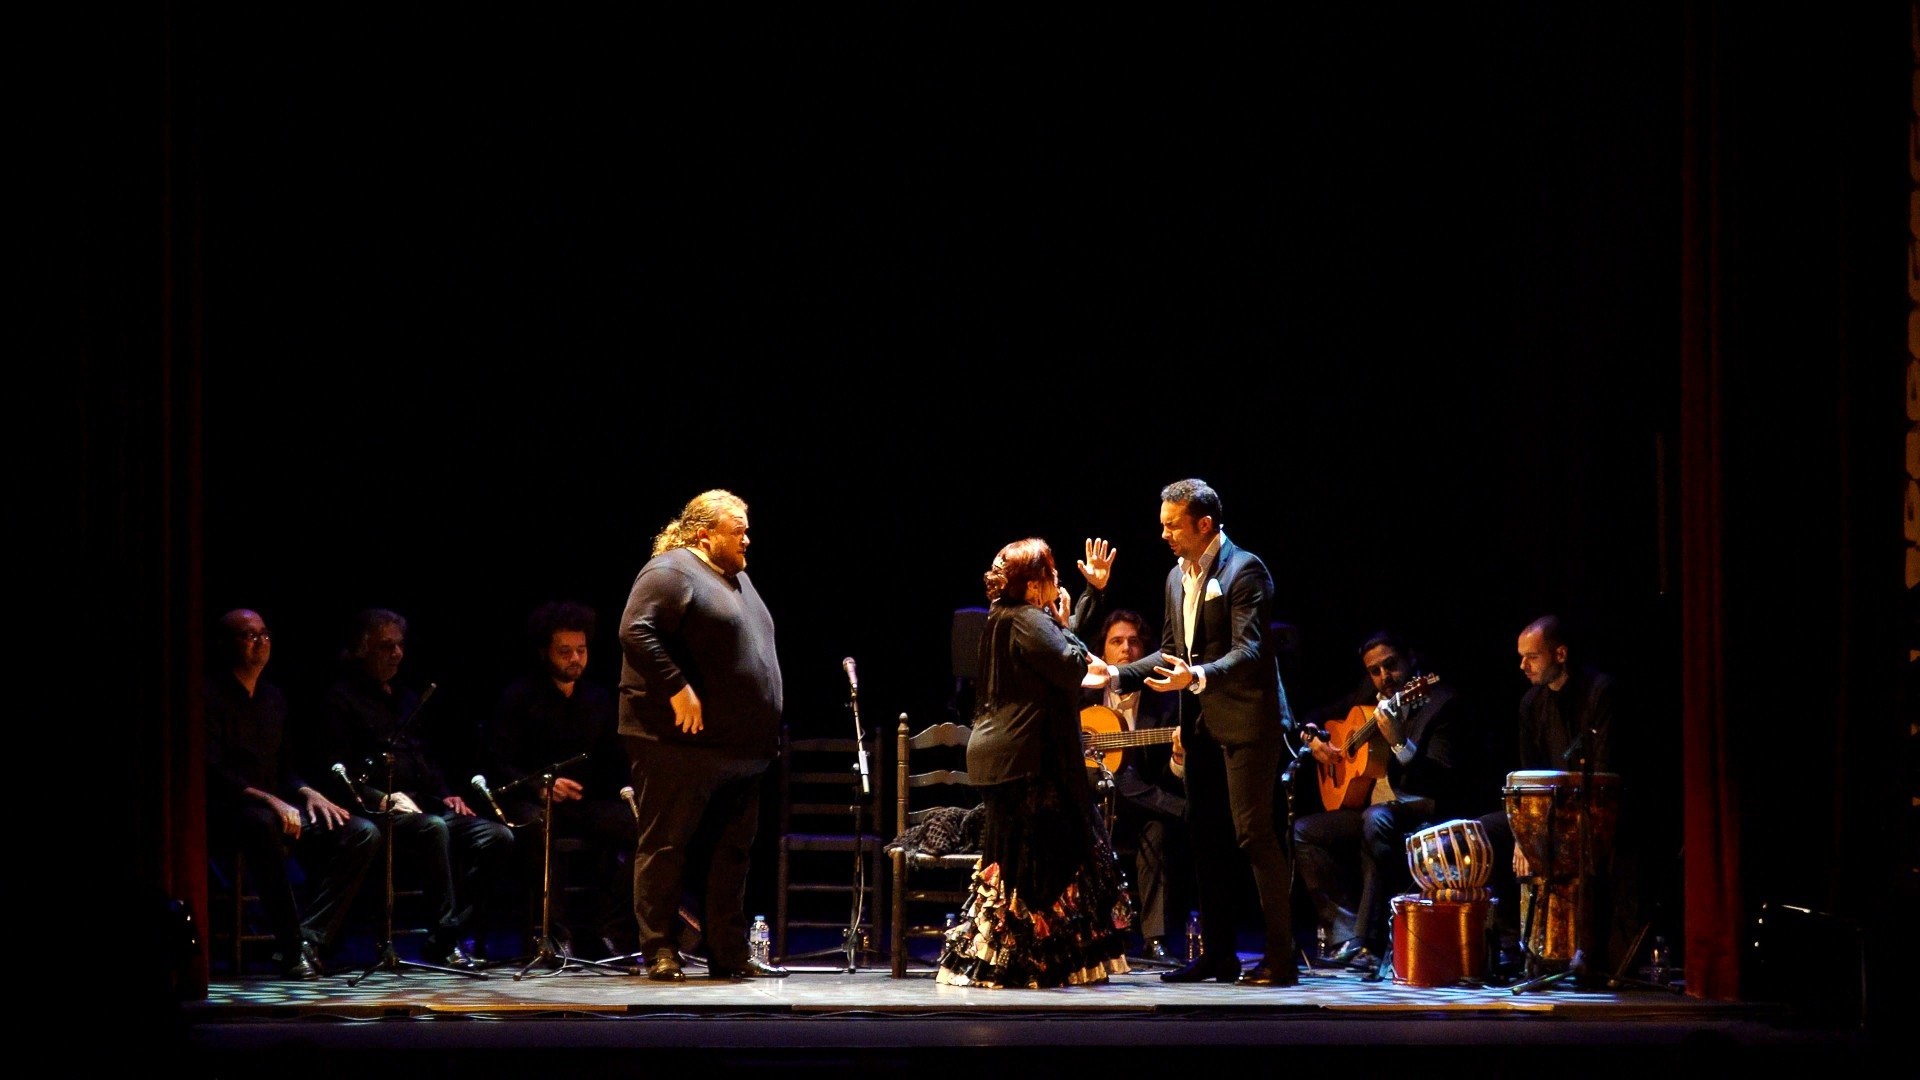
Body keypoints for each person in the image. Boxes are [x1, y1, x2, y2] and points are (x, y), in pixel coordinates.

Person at [1112, 478, 1299, 987]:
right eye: (1162, 525)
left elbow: (1252, 650)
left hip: (1249, 723)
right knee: (1206, 837)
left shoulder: (1244, 570)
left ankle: (1281, 958)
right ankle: (1219, 956)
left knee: (1255, 835)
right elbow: (1171, 648)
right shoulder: (1177, 578)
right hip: (1200, 725)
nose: (1165, 535)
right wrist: (1112, 674)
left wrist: (1196, 676)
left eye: (1173, 525)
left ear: (1204, 525)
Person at [935, 537, 1134, 988]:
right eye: (1051, 573)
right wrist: (1076, 629)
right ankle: (1027, 965)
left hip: (1006, 758)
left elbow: (1058, 649)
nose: (1057, 579)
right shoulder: (1026, 618)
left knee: (1018, 863)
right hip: (1023, 760)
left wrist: (1088, 600)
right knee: (1047, 861)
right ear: (1032, 586)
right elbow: (1072, 665)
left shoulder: (1009, 617)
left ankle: (1006, 961)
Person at [617, 489, 788, 982]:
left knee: (730, 852)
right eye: (739, 530)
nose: (748, 539)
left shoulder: (736, 578)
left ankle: (727, 952)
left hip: (739, 751)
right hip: (678, 744)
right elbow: (635, 631)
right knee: (667, 846)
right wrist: (677, 687)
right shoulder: (670, 570)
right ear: (704, 534)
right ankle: (660, 949)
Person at [313, 608, 515, 969]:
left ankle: (447, 936)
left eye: (399, 645)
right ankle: (446, 935)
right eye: (385, 646)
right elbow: (335, 770)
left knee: (497, 837)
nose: (396, 653)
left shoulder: (405, 697)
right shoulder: (340, 699)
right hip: (375, 809)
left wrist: (446, 793)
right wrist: (380, 797)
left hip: (423, 804)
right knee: (433, 828)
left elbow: (424, 758)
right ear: (362, 649)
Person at [1291, 630, 1492, 973]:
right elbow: (1319, 716)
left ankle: (1368, 940)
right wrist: (1312, 738)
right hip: (1373, 810)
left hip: (1424, 810)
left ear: (1411, 659)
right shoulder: (1371, 694)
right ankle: (1344, 936)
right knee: (1302, 831)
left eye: (1391, 665)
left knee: (1376, 819)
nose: (1384, 677)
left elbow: (1442, 781)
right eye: (1375, 671)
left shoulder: (1441, 703)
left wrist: (1400, 744)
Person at [205, 608, 380, 979]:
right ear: (225, 645)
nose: (260, 642)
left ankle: (310, 938)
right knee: (261, 823)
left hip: (280, 807)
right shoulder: (208, 696)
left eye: (265, 634)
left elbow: (285, 769)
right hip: (233, 808)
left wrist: (309, 792)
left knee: (361, 831)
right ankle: (288, 947)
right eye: (249, 635)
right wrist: (270, 799)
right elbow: (212, 770)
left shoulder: (274, 697)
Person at [481, 600, 638, 960]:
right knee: (539, 827)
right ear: (544, 652)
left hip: (583, 803)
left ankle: (608, 930)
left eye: (581, 650)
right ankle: (554, 934)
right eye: (564, 651)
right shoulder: (519, 697)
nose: (575, 659)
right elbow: (497, 763)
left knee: (643, 828)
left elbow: (614, 761)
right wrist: (541, 786)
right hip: (533, 800)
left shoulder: (598, 699)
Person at [1479, 613, 1620, 975]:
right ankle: (1513, 944)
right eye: (1520, 657)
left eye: (1533, 657)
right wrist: (1522, 836)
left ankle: (1582, 952)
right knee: (1481, 835)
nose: (1523, 665)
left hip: (1588, 810)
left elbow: (1603, 775)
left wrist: (1534, 836)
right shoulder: (1531, 703)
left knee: (1574, 841)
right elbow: (1529, 777)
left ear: (1560, 654)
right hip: (1544, 813)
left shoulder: (1598, 691)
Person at [1081, 607, 1190, 964]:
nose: (1126, 648)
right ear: (1104, 652)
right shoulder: (1083, 699)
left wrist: (1177, 758)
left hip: (1141, 807)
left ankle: (1154, 938)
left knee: (1155, 827)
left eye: (1134, 641)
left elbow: (1165, 776)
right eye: (1117, 642)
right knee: (1113, 780)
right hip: (1089, 808)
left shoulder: (1166, 705)